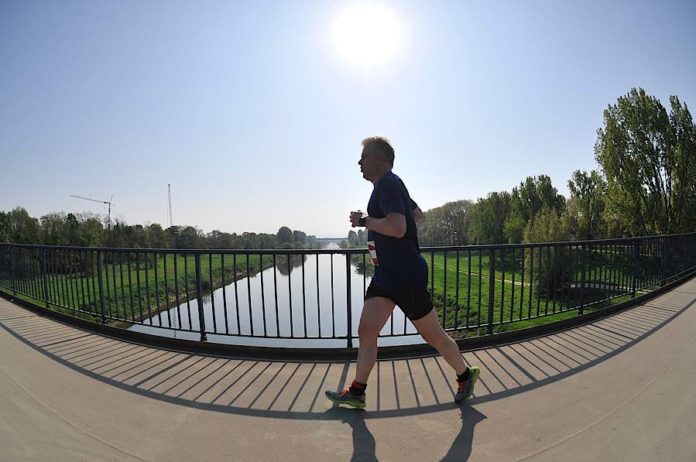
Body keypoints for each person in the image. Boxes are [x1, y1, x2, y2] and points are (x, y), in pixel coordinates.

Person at [326, 136, 480, 409]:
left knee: (433, 335)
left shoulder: (388, 184)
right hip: (386, 276)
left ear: (379, 159)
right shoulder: (390, 187)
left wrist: (364, 221)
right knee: (366, 329)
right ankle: (357, 391)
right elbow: (416, 215)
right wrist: (381, 225)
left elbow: (399, 228)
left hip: (405, 275)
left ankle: (465, 375)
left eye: (363, 158)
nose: (359, 163)